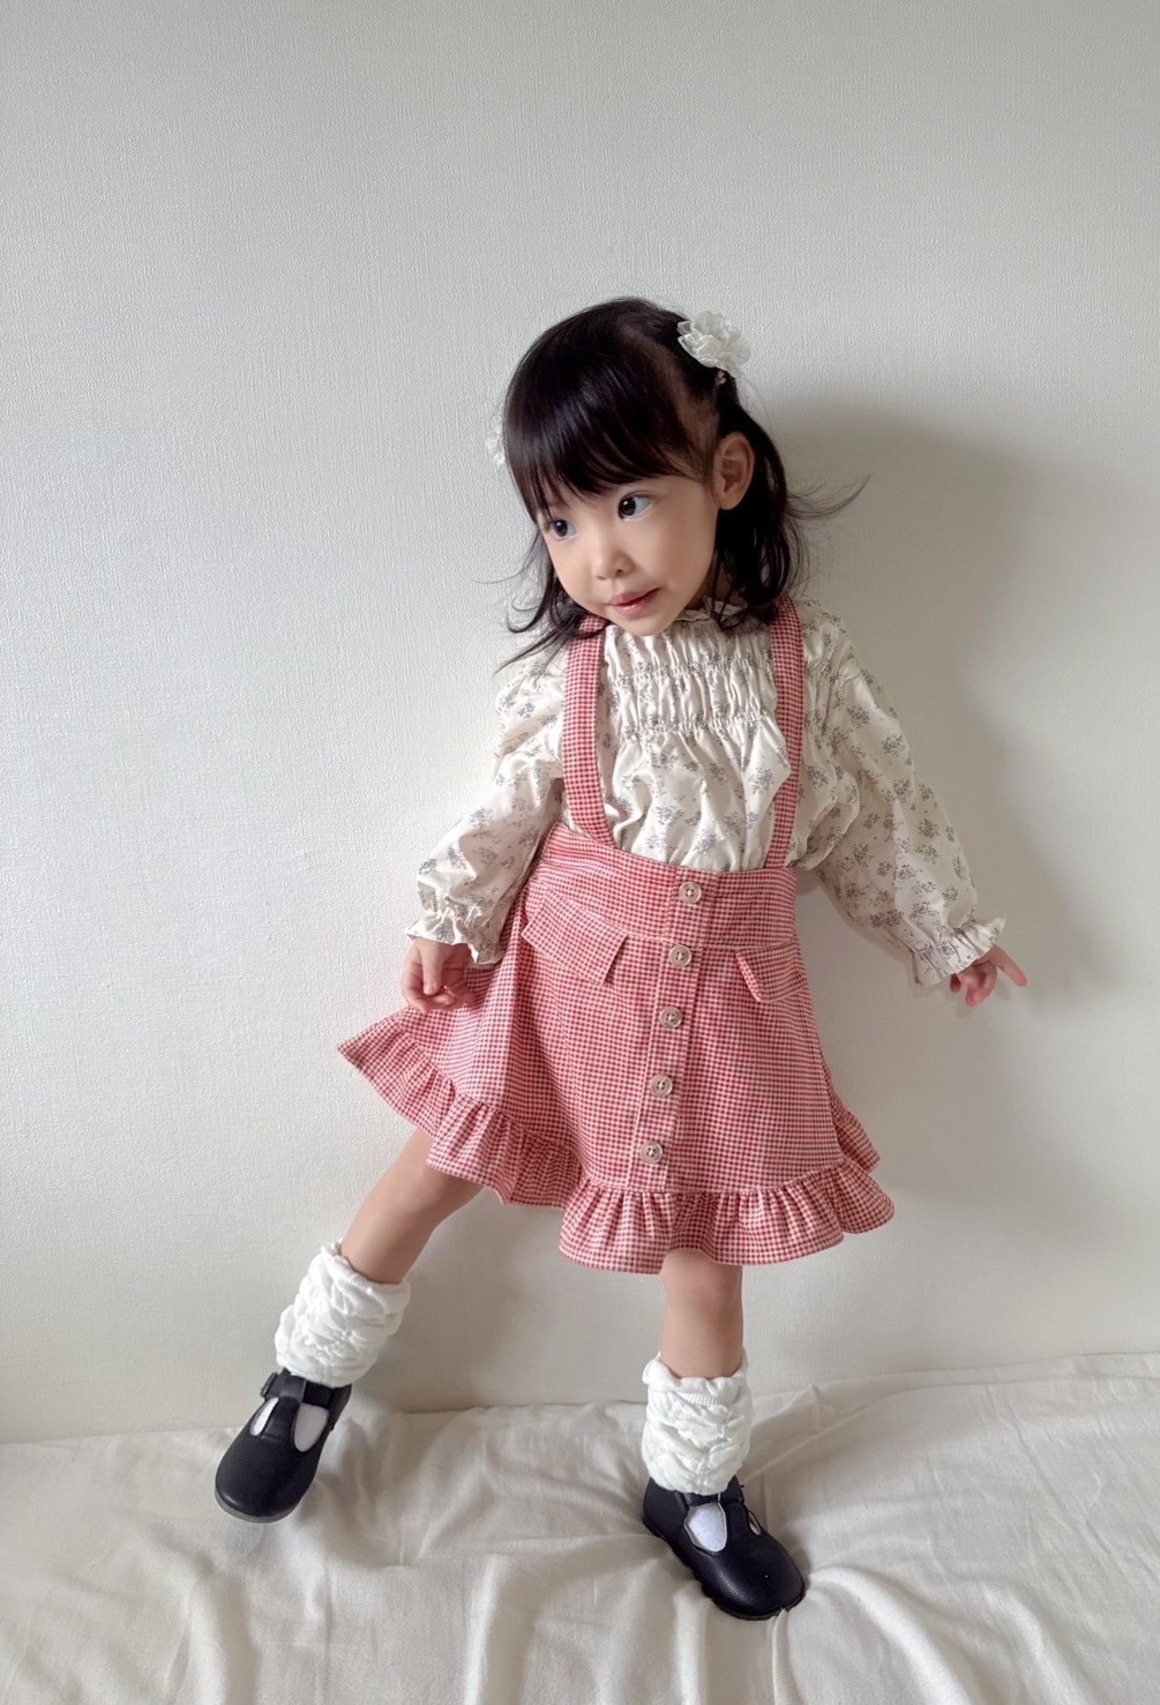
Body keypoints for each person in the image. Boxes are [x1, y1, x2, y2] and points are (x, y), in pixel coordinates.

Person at [215, 297, 1027, 1619]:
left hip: (732, 1008)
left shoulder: (804, 666)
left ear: (727, 474)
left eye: (632, 502)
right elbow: (504, 812)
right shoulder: (576, 679)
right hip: (560, 987)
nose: (600, 555)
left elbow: (879, 812)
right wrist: (449, 913)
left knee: (706, 1247)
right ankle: (306, 1375)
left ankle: (693, 1482)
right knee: (437, 1166)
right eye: (562, 522)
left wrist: (948, 932)